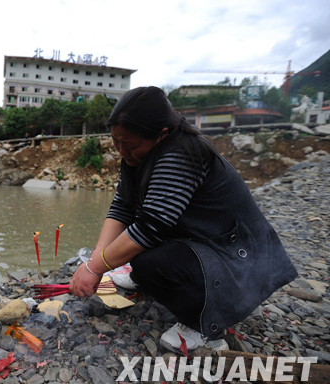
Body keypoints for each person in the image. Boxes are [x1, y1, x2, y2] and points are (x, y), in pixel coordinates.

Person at [69, 86, 297, 352]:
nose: (121, 151)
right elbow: (122, 207)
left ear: (161, 134)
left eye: (129, 145)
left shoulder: (181, 154)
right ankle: (157, 281)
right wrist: (99, 258)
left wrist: (95, 268)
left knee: (147, 260)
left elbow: (151, 227)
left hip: (242, 262)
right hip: (203, 241)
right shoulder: (135, 154)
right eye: (115, 141)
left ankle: (204, 325)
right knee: (135, 259)